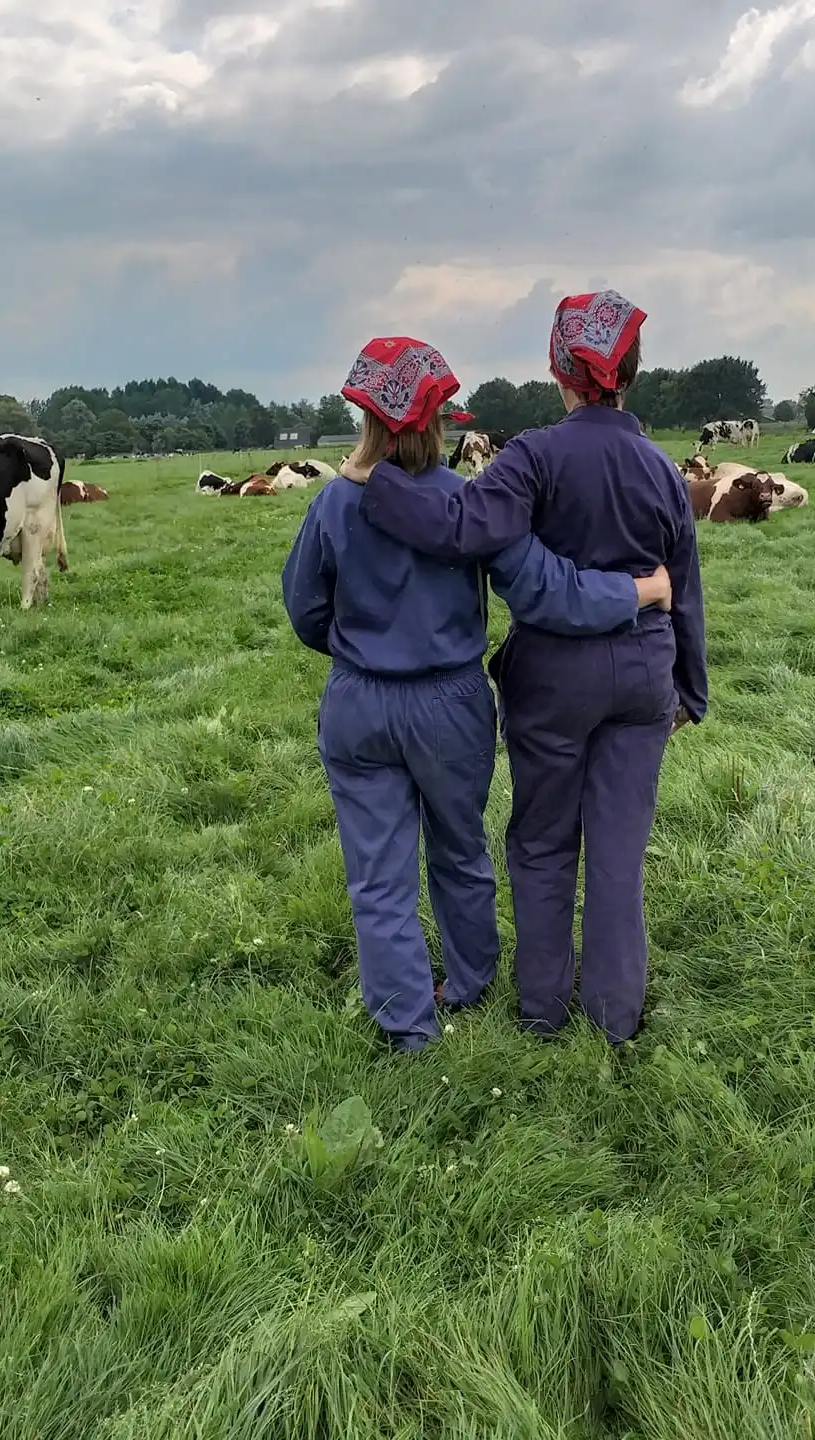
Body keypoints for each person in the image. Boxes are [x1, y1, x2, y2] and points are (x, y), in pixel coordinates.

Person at [281, 336, 675, 1053]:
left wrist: (358, 647)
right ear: (438, 420)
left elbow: (305, 608)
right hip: (450, 704)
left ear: (365, 417)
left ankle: (408, 1023)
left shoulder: (333, 503)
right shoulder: (469, 503)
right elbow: (540, 589)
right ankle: (470, 979)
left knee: (377, 877)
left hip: (360, 702)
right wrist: (637, 593)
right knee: (460, 850)